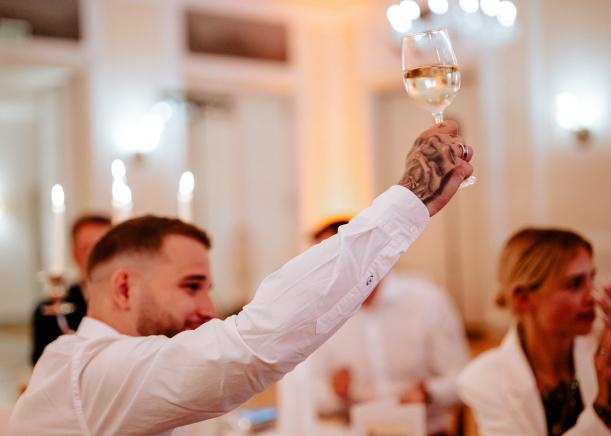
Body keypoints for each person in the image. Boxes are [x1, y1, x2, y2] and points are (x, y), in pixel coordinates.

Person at [9, 121, 474, 435]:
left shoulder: (131, 377)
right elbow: (249, 348)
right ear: (125, 287)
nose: (210, 310)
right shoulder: (86, 367)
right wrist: (410, 198)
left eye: (209, 289)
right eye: (191, 286)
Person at [310, 219, 470, 436]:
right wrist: (334, 391)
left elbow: (464, 380)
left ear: (368, 253)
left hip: (426, 431)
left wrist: (429, 393)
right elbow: (310, 395)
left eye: (337, 260)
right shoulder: (325, 317)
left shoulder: (427, 301)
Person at [458, 228, 611, 436]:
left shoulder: (603, 346)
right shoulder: (485, 380)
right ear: (523, 298)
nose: (592, 296)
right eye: (575, 284)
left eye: (591, 279)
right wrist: (603, 408)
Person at [31, 214, 111, 364]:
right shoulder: (49, 311)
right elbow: (42, 364)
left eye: (103, 246)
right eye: (87, 248)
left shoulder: (132, 305)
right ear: (75, 253)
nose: (96, 255)